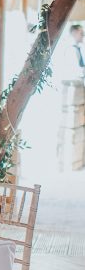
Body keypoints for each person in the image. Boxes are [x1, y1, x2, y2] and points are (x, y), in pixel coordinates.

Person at [58, 24, 85, 172]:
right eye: (80, 33)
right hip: (73, 90)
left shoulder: (79, 48)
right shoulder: (69, 49)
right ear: (74, 33)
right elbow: (74, 70)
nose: (82, 35)